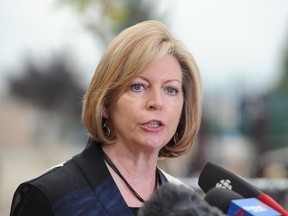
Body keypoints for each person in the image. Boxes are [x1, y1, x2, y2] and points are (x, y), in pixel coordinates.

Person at [10, 20, 202, 216]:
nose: (156, 102)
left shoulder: (187, 204)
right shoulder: (51, 197)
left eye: (170, 89)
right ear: (105, 103)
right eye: (138, 86)